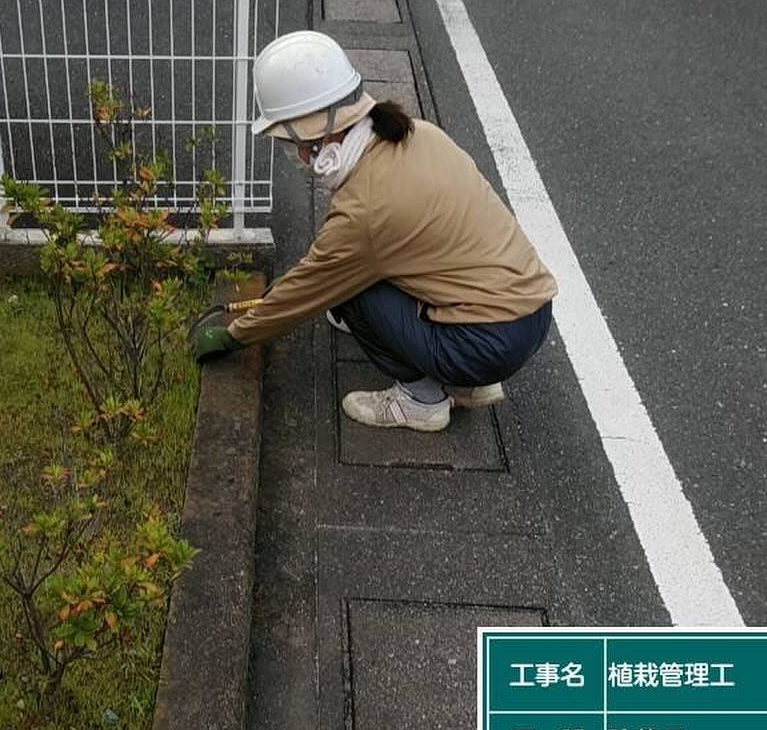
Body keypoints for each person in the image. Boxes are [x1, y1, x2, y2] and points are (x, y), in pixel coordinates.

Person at [189, 31, 558, 432]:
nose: (294, 155)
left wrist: (235, 336)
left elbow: (308, 289)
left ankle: (423, 400)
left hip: (487, 342)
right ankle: (467, 382)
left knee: (351, 291)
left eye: (289, 140)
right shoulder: (418, 133)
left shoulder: (366, 212)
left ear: (319, 134)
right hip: (530, 311)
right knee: (349, 282)